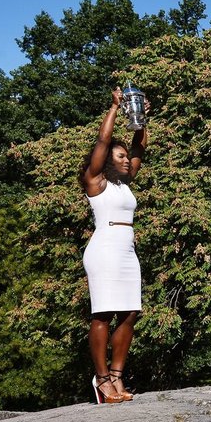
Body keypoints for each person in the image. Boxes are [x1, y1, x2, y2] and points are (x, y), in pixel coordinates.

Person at [79, 86, 148, 404]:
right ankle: (102, 380)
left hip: (126, 249)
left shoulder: (123, 182)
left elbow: (139, 148)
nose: (125, 160)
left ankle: (118, 376)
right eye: (119, 157)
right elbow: (103, 140)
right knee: (103, 314)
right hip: (104, 248)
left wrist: (141, 118)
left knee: (131, 312)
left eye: (125, 157)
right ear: (106, 160)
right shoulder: (96, 180)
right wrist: (115, 108)